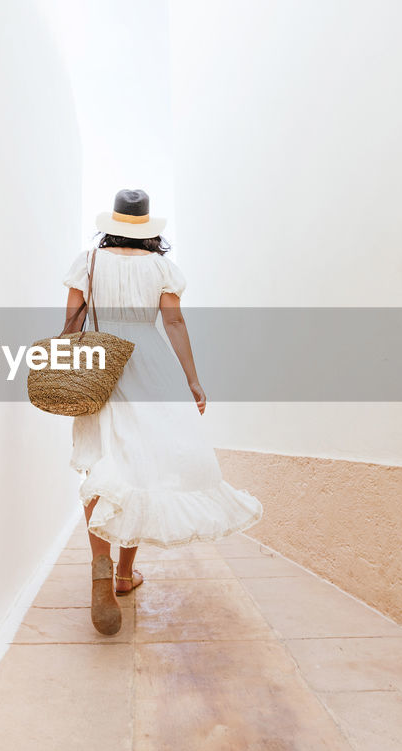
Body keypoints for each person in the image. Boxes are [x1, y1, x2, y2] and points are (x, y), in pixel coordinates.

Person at [61, 188, 264, 635]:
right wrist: (191, 379)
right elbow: (173, 322)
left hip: (101, 362)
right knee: (144, 467)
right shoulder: (161, 268)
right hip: (150, 366)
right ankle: (123, 575)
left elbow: (73, 317)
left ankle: (100, 564)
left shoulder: (88, 262)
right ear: (147, 231)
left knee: (102, 463)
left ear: (110, 225)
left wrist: (67, 361)